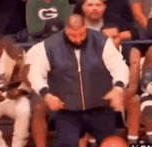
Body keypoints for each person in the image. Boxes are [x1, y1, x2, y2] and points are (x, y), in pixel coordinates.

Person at [26, 14, 129, 147]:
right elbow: (34, 73)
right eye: (73, 36)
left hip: (100, 107)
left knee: (112, 143)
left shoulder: (102, 41)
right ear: (66, 30)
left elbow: (119, 65)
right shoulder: (48, 46)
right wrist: (46, 94)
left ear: (85, 28)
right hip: (67, 110)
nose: (78, 39)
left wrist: (119, 87)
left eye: (81, 34)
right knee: (66, 144)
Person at [101, 23, 141, 145]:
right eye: (107, 38)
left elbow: (133, 87)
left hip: (124, 96)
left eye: (115, 37)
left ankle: (132, 142)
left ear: (120, 38)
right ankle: (94, 142)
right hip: (102, 98)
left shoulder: (132, 52)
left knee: (135, 99)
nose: (112, 41)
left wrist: (118, 97)